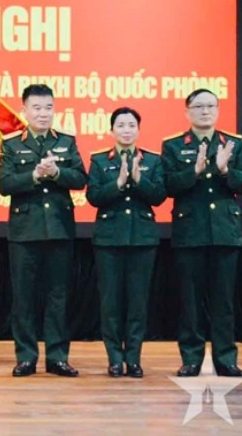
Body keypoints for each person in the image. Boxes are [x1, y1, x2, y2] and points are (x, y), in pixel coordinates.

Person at [161, 88, 242, 378]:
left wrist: (226, 171)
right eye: (198, 106)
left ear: (218, 110)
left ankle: (226, 359)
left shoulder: (233, 144)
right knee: (190, 301)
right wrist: (195, 171)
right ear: (187, 111)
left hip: (225, 231)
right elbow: (168, 186)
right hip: (190, 231)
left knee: (223, 301)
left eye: (210, 106)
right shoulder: (174, 145)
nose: (205, 111)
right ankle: (191, 359)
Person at [0, 84, 86, 378]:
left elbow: (80, 179)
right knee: (24, 298)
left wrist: (58, 173)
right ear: (24, 110)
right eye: (36, 108)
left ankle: (58, 357)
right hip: (24, 232)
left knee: (58, 295)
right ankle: (26, 357)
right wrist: (34, 175)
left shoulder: (66, 141)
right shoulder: (11, 145)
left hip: (60, 229)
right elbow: (5, 185)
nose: (43, 113)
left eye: (48, 107)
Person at [86, 107, 166, 378]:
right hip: (109, 240)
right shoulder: (99, 161)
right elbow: (94, 197)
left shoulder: (153, 161)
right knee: (110, 303)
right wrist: (118, 182)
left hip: (142, 240)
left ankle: (133, 358)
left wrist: (139, 180)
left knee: (137, 302)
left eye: (132, 125)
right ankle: (114, 359)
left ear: (138, 130)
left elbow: (158, 196)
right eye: (121, 125)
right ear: (112, 130)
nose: (126, 130)